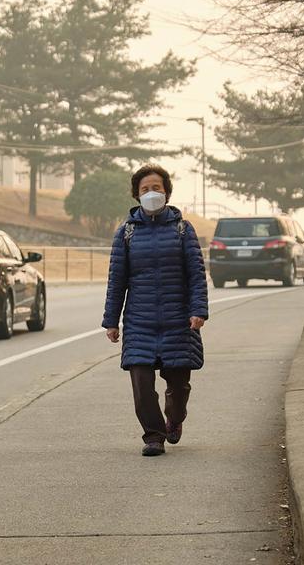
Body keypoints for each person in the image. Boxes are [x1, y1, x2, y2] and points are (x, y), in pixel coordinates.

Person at [102, 164, 209, 457]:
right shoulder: (126, 233)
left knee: (178, 385)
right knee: (141, 384)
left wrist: (198, 311)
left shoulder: (182, 229)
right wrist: (111, 321)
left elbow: (196, 275)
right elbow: (117, 280)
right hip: (139, 322)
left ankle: (174, 418)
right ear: (137, 195)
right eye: (145, 189)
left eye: (156, 188)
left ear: (167, 192)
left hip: (179, 321)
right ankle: (154, 435)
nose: (151, 193)